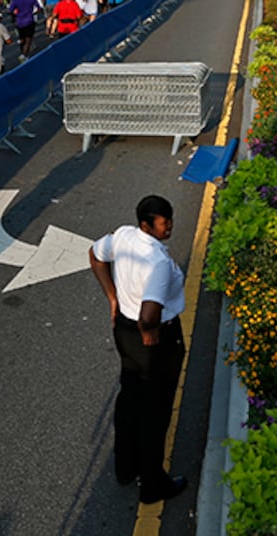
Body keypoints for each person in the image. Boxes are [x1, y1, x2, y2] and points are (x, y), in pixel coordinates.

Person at [87, 195, 189, 504]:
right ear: (146, 225)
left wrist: (112, 297)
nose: (169, 226)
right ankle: (153, 484)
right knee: (155, 414)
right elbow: (149, 313)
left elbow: (94, 254)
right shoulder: (157, 262)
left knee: (129, 399)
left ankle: (125, 467)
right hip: (155, 341)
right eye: (163, 222)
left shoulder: (123, 235)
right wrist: (150, 335)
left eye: (170, 219)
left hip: (124, 331)